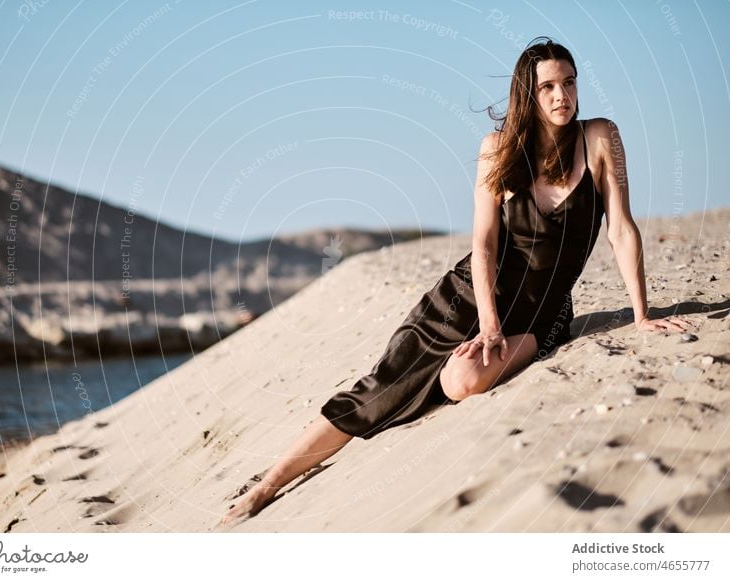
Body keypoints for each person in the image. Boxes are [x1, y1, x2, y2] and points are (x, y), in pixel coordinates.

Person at [220, 37, 694, 525]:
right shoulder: (498, 151)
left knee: (465, 380)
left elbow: (620, 226)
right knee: (378, 389)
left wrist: (642, 314)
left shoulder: (599, 137)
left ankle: (433, 388)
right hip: (467, 298)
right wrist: (487, 322)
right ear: (527, 96)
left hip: (541, 311)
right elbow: (484, 244)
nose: (561, 96)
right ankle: (267, 485)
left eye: (569, 83)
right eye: (548, 86)